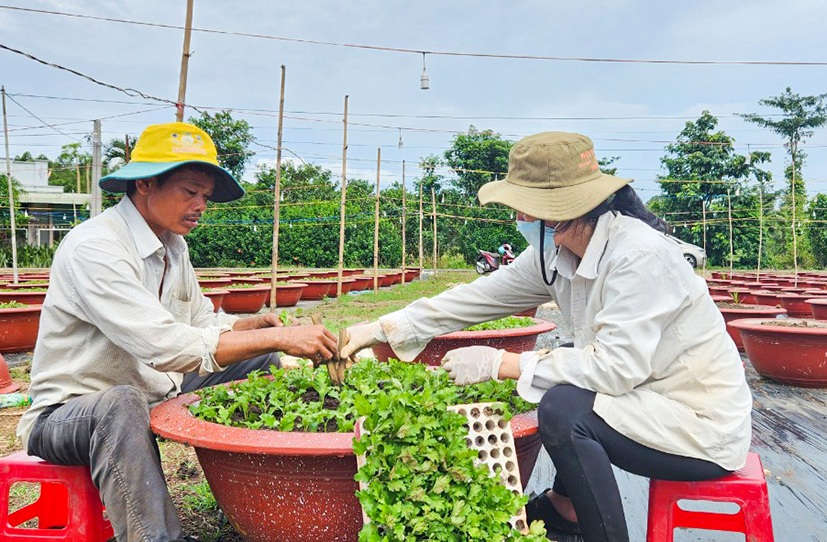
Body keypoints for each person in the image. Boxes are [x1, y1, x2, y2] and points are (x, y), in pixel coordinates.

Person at [339, 132, 752, 542]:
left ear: (558, 210)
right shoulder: (554, 254)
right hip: (648, 400)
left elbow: (614, 369)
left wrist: (501, 363)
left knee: (564, 408)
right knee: (569, 368)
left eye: (522, 207)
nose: (519, 218)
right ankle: (565, 509)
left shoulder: (637, 256)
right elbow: (474, 298)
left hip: (698, 427)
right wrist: (380, 328)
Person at [17, 122, 338, 542]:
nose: (201, 205)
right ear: (146, 183)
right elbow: (164, 346)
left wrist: (250, 327)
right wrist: (278, 338)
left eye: (205, 195)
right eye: (190, 191)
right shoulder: (95, 247)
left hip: (149, 391)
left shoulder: (172, 245)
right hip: (68, 415)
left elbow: (201, 323)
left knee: (259, 358)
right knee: (120, 404)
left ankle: (253, 497)